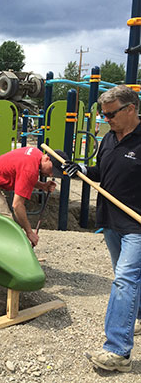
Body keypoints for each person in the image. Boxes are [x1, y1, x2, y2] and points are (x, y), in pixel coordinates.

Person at [63, 85, 141, 372]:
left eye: (110, 114)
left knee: (125, 280)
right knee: (129, 279)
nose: (106, 120)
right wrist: (82, 171)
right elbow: (101, 174)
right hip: (110, 221)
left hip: (137, 226)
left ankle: (118, 350)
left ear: (130, 109)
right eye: (104, 115)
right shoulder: (108, 139)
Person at [0, 146, 66, 247]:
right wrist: (29, 232)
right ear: (47, 159)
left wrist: (42, 186)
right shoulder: (30, 169)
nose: (51, 174)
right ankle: (4, 254)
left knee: (0, 220)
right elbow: (17, 205)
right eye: (52, 169)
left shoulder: (35, 153)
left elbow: (24, 178)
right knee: (6, 222)